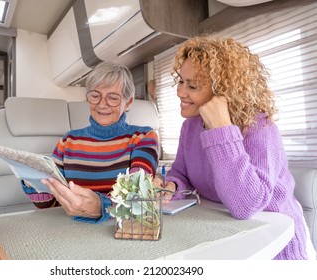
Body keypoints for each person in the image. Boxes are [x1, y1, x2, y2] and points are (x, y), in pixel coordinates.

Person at [153, 36, 315, 260]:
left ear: (223, 92)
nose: (180, 92)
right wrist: (171, 185)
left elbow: (247, 205)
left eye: (192, 86)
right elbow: (181, 174)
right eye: (181, 81)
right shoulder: (189, 127)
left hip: (273, 247)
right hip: (223, 234)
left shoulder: (260, 126)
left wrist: (221, 129)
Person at [21, 61, 159, 223]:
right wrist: (33, 181)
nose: (101, 104)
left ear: (127, 103)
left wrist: (102, 207)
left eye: (113, 98)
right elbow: (49, 203)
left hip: (121, 228)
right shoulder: (67, 141)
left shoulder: (143, 137)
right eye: (95, 95)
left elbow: (137, 197)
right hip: (73, 230)